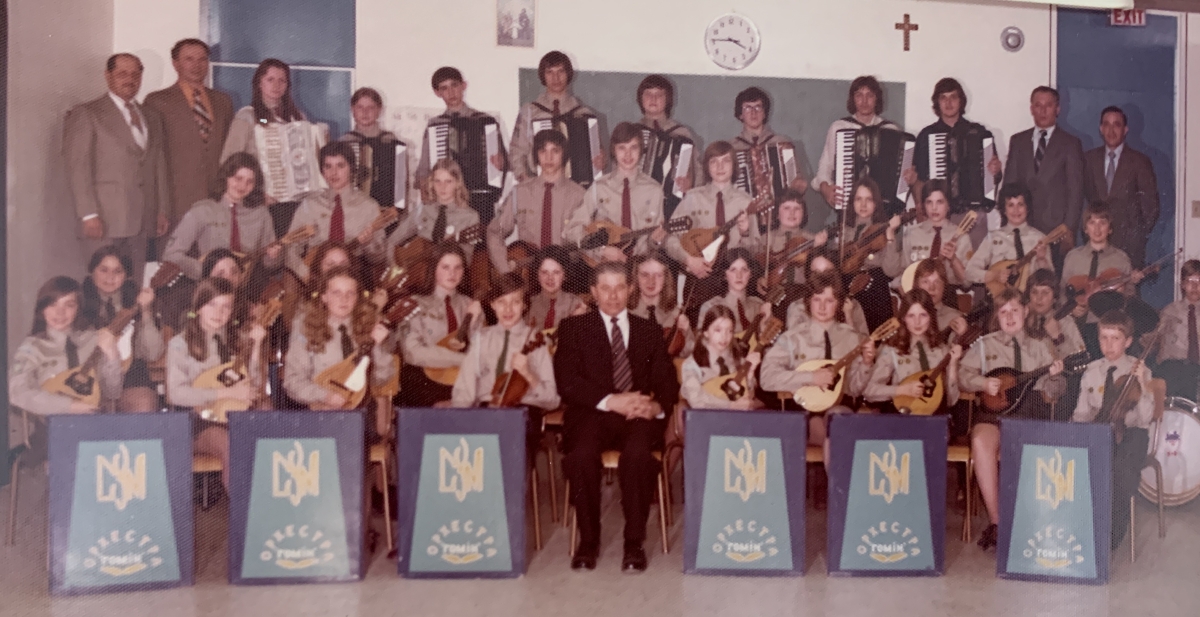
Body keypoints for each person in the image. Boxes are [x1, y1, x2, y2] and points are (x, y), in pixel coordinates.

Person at [553, 261, 679, 572]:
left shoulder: (649, 331)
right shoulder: (573, 328)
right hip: (591, 414)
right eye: (605, 288)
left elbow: (667, 382)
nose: (613, 296)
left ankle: (633, 543)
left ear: (630, 289)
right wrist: (611, 401)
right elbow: (567, 382)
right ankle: (589, 542)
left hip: (638, 415)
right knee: (581, 455)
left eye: (620, 287)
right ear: (594, 292)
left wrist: (655, 407)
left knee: (638, 455)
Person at [959, 287, 1066, 551]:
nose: (1009, 317)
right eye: (1003, 311)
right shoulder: (984, 345)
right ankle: (997, 523)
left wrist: (1055, 377)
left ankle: (1031, 520)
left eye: (1014, 310)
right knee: (981, 442)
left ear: (1026, 311)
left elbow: (1057, 392)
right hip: (993, 413)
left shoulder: (1041, 346)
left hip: (1029, 412)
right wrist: (982, 382)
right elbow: (962, 375)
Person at [63, 53, 170, 280]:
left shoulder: (151, 116)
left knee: (134, 283)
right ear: (108, 76)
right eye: (122, 73)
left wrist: (162, 210)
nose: (129, 79)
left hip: (142, 220)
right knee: (103, 286)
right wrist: (88, 214)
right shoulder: (88, 113)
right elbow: (78, 168)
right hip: (105, 220)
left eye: (135, 73)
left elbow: (158, 164)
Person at [761, 272, 876, 469]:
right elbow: (767, 378)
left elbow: (855, 389)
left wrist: (866, 363)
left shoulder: (852, 337)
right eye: (817, 300)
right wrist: (810, 377)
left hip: (840, 409)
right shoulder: (793, 338)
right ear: (808, 302)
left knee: (836, 421)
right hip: (804, 409)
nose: (822, 307)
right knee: (831, 429)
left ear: (839, 303)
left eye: (829, 300)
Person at [165, 277, 266, 488]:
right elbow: (176, 394)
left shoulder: (236, 340)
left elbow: (252, 386)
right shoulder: (179, 344)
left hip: (232, 414)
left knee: (269, 427)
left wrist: (256, 348)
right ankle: (244, 513)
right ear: (199, 306)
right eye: (212, 304)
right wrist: (224, 394)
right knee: (230, 446)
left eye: (226, 306)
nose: (219, 313)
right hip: (197, 421)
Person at [1071, 310, 1154, 550]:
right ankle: (1081, 526)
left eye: (1115, 338)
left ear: (1127, 342)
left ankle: (1111, 534)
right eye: (1103, 338)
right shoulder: (1092, 371)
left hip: (1131, 433)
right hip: (1099, 432)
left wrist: (1140, 383)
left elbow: (1145, 418)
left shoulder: (1140, 370)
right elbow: (1082, 413)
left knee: (1120, 469)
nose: (1108, 344)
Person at [144, 39, 234, 233]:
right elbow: (152, 159)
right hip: (176, 202)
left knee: (215, 260)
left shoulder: (223, 101)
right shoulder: (157, 102)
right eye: (189, 59)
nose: (196, 65)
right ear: (176, 63)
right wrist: (160, 208)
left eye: (202, 59)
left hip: (217, 200)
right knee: (175, 259)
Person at [903, 77, 1002, 244]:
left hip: (973, 216)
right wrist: (920, 207)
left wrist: (996, 171)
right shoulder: (926, 136)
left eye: (953, 97)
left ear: (961, 101)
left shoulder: (980, 133)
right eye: (943, 98)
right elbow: (917, 180)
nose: (948, 103)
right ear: (937, 102)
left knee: (973, 266)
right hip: (937, 216)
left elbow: (994, 178)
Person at [9, 277, 122, 419]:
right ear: (42, 309)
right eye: (53, 304)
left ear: (78, 309)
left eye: (69, 305)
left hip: (93, 423)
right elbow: (15, 392)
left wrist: (112, 355)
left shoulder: (93, 340)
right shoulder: (31, 347)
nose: (60, 312)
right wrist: (68, 406)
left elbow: (113, 392)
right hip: (50, 426)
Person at [284, 266, 394, 409]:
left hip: (362, 409)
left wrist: (378, 347)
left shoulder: (370, 327)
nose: (344, 299)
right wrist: (325, 396)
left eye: (351, 293)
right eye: (336, 293)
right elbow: (292, 381)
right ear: (324, 297)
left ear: (357, 298)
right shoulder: (306, 329)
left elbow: (382, 380)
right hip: (322, 413)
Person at [162, 152, 281, 280]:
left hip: (247, 286)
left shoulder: (261, 214)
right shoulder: (203, 210)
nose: (243, 186)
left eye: (250, 182)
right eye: (238, 178)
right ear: (226, 176)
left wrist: (273, 257)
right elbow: (170, 254)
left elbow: (271, 266)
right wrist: (205, 270)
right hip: (210, 287)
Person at [451, 272, 559, 410]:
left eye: (515, 302)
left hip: (523, 410)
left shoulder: (538, 340)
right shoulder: (481, 338)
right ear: (492, 304)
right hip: (487, 410)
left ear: (524, 305)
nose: (508, 309)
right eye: (501, 302)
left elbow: (552, 401)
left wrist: (528, 374)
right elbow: (465, 388)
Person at [416, 67, 507, 225]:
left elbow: (504, 162)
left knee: (481, 247)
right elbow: (424, 168)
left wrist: (501, 163)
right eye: (444, 88)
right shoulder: (435, 125)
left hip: (481, 198)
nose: (451, 92)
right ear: (437, 93)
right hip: (446, 200)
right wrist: (426, 192)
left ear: (463, 86)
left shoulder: (486, 121)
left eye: (454, 85)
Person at [563, 123, 665, 263]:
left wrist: (655, 241)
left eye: (633, 147)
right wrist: (601, 250)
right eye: (622, 148)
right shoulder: (599, 188)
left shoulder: (654, 190)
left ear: (641, 150)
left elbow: (654, 243)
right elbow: (571, 230)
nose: (628, 154)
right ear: (613, 150)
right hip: (605, 267)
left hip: (640, 267)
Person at [486, 129, 585, 274]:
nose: (548, 157)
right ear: (536, 155)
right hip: (529, 273)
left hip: (567, 274)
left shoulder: (579, 196)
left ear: (564, 154)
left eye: (555, 151)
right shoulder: (520, 192)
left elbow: (590, 240)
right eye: (543, 151)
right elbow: (495, 231)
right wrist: (504, 269)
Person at [286, 142, 387, 280]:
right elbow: (290, 247)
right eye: (328, 166)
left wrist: (368, 244)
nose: (333, 173)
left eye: (340, 166)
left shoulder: (368, 206)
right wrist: (304, 272)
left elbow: (379, 258)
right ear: (322, 171)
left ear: (351, 168)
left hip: (353, 276)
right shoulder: (310, 204)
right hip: (314, 274)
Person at [79, 246, 163, 411]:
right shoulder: (78, 302)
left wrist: (146, 311)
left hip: (130, 375)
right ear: (92, 271)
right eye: (104, 270)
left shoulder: (135, 301)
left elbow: (153, 353)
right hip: (90, 373)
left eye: (118, 271)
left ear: (127, 276)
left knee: (144, 403)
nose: (110, 277)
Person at [400, 243, 483, 406]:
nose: (452, 273)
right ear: (434, 269)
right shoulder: (414, 305)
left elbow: (480, 355)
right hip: (427, 380)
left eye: (458, 267)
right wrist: (459, 359)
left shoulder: (472, 305)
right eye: (445, 267)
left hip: (462, 379)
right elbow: (412, 352)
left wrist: (474, 326)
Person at [665, 141, 758, 280]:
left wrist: (745, 233)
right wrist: (689, 260)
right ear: (707, 167)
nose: (720, 166)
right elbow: (668, 237)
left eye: (726, 161)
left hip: (734, 279)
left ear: (734, 166)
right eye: (714, 161)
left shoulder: (745, 202)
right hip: (698, 275)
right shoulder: (693, 198)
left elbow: (755, 251)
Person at [1003, 86, 1084, 241]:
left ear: (1057, 109)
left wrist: (1068, 229)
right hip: (1021, 226)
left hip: (1055, 230)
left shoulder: (1070, 143)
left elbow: (1075, 192)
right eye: (1038, 106)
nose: (1043, 111)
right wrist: (1006, 223)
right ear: (1031, 109)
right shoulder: (1018, 141)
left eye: (1048, 105)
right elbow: (1009, 185)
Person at [1082, 106, 1160, 268]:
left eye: (1116, 125)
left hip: (1129, 244)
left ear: (1125, 130)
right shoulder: (1088, 159)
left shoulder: (1139, 161)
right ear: (1101, 129)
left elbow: (1151, 206)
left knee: (1128, 291)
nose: (1111, 130)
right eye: (1107, 125)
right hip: (1096, 241)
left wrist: (1136, 234)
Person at [863, 289, 962, 414]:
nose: (917, 322)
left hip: (934, 417)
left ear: (931, 316)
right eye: (911, 316)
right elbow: (869, 391)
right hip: (902, 415)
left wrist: (953, 364)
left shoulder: (942, 349)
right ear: (903, 318)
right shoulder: (891, 349)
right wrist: (901, 390)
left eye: (923, 315)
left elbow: (951, 401)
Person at [510, 51, 602, 182]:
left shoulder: (585, 115)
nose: (556, 78)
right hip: (539, 186)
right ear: (543, 76)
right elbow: (516, 153)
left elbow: (598, 157)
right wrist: (526, 180)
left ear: (568, 74)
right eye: (550, 72)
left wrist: (600, 160)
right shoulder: (529, 112)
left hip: (576, 190)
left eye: (561, 72)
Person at [816, 76, 900, 209]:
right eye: (859, 95)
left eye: (870, 95)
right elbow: (824, 167)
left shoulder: (890, 130)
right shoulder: (839, 127)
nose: (864, 101)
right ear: (852, 99)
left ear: (877, 99)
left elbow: (898, 173)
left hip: (882, 208)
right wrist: (826, 189)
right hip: (850, 205)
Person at [387, 158, 481, 266]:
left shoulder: (469, 217)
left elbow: (466, 261)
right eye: (438, 181)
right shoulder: (423, 210)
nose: (443, 187)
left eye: (448, 181)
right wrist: (393, 268)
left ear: (457, 183)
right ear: (432, 183)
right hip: (419, 275)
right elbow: (392, 241)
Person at [881, 179, 972, 287]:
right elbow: (893, 272)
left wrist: (953, 259)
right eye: (929, 202)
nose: (934, 208)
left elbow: (967, 282)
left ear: (948, 205)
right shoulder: (912, 233)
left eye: (940, 202)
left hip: (947, 296)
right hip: (917, 295)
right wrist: (890, 235)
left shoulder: (961, 237)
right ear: (924, 205)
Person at [837, 177, 899, 331]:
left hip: (874, 289)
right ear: (852, 202)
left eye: (869, 199)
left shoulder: (883, 230)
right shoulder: (843, 231)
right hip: (847, 287)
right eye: (858, 199)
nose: (863, 205)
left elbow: (891, 271)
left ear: (876, 203)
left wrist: (890, 234)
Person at [1059, 202, 1138, 323]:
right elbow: (1063, 291)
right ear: (1085, 229)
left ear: (1110, 228)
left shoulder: (1121, 259)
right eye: (1092, 223)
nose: (1097, 228)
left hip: (1106, 325)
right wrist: (1071, 309)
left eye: (1102, 223)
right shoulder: (1073, 257)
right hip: (1076, 325)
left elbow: (1129, 295)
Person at [635, 75, 701, 217]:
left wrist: (689, 183)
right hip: (636, 207)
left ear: (668, 99)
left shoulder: (682, 133)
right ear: (640, 98)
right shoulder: (632, 132)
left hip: (672, 210)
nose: (653, 99)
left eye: (659, 94)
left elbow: (697, 172)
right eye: (648, 94)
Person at [965, 183, 1055, 285]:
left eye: (1020, 204)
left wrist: (1041, 259)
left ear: (1027, 208)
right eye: (1011, 205)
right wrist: (994, 275)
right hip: (1000, 297)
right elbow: (970, 271)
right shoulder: (993, 237)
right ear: (1004, 210)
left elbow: (1049, 279)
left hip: (1030, 298)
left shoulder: (1040, 238)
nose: (1016, 210)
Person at [728, 87, 809, 198]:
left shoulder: (782, 143)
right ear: (740, 114)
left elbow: (795, 178)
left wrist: (798, 185)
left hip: (779, 210)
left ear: (765, 113)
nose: (753, 112)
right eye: (747, 108)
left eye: (758, 107)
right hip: (744, 210)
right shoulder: (732, 147)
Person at [680, 305, 762, 410]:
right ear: (706, 332)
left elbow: (748, 399)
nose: (724, 336)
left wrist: (750, 375)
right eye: (718, 330)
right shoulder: (692, 364)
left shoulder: (738, 359)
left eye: (729, 331)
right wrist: (730, 406)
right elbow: (696, 399)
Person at [339, 87, 406, 209]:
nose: (365, 112)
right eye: (360, 107)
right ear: (352, 109)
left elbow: (401, 183)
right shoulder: (344, 142)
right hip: (352, 211)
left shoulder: (390, 141)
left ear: (379, 110)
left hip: (384, 210)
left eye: (371, 107)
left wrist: (399, 208)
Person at [786, 248, 869, 336]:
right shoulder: (797, 308)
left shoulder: (852, 306)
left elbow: (863, 345)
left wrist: (849, 317)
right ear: (808, 275)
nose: (822, 278)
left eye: (827, 272)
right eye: (815, 272)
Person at [1149, 259, 1200, 400]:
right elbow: (1155, 341)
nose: (1195, 286)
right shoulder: (1170, 311)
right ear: (1183, 284)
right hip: (1175, 370)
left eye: (1199, 280)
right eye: (1190, 280)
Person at [627, 253, 693, 358]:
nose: (651, 281)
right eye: (644, 275)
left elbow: (689, 354)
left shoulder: (675, 313)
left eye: (658, 275)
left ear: (666, 279)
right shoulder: (624, 312)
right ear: (635, 277)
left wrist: (686, 332)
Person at [696, 248, 768, 336]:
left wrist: (766, 322)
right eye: (733, 270)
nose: (739, 275)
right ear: (724, 275)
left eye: (744, 270)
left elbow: (769, 345)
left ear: (751, 274)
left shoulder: (759, 306)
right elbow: (700, 345)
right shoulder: (710, 307)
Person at [1025, 268, 1087, 359]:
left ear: (1054, 297)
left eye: (1045, 293)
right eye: (1034, 292)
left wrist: (1057, 338)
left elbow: (1080, 358)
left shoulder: (1066, 322)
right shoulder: (1022, 319)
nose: (1039, 298)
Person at [526, 246, 588, 332]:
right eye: (544, 272)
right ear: (537, 274)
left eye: (556, 272)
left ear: (565, 275)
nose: (550, 278)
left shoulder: (576, 305)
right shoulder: (528, 305)